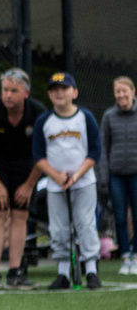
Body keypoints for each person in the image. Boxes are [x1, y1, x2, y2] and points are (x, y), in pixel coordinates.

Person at [0, 68, 45, 291]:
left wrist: (29, 185)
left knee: (20, 215)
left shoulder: (39, 113)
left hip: (27, 166)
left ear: (26, 92)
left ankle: (15, 272)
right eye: (5, 90)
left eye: (13, 91)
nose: (8, 95)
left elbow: (43, 152)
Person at [33, 72, 102, 290]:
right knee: (59, 228)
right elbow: (38, 156)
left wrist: (76, 175)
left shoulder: (85, 117)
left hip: (83, 181)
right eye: (54, 90)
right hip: (55, 183)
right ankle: (63, 272)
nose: (59, 93)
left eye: (64, 89)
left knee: (85, 223)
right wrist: (56, 175)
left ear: (75, 92)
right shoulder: (44, 121)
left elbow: (94, 152)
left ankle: (91, 269)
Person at [100, 76, 137, 275]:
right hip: (116, 176)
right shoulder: (108, 116)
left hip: (136, 175)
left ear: (133, 92)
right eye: (118, 92)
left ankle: (136, 254)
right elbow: (103, 148)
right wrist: (104, 177)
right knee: (120, 218)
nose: (121, 95)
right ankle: (125, 255)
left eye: (125, 91)